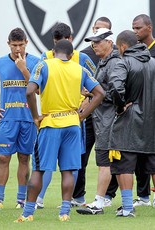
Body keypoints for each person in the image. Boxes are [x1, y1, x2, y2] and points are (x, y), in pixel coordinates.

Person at [14, 39, 104, 222]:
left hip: (50, 123)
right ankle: (64, 213)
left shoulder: (44, 66)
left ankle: (28, 213)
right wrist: (82, 115)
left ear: (53, 52)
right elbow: (100, 93)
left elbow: (30, 91)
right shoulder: (80, 69)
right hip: (72, 124)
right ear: (71, 55)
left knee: (39, 169)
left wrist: (35, 116)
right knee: (68, 171)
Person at [36, 22, 96, 208]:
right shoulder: (44, 58)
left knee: (71, 160)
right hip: (65, 117)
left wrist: (85, 107)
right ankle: (42, 199)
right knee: (65, 162)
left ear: (70, 39)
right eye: (56, 42)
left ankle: (67, 199)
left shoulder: (82, 58)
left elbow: (94, 85)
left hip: (72, 116)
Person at [0, 28, 39, 210]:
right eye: (14, 45)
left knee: (24, 158)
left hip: (28, 118)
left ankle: (21, 199)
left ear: (26, 42)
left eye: (20, 45)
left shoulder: (35, 62)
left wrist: (24, 69)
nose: (17, 49)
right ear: (8, 43)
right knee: (3, 158)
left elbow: (40, 90)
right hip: (7, 119)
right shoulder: (0, 63)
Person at [108, 30, 155, 217]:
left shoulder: (123, 62)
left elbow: (115, 87)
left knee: (124, 166)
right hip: (152, 123)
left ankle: (127, 208)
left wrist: (120, 107)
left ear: (123, 47)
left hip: (128, 123)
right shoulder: (153, 62)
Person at [75, 28, 121, 215]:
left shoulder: (115, 62)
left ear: (109, 42)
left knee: (106, 162)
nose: (93, 45)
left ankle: (100, 202)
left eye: (97, 41)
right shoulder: (105, 61)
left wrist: (96, 95)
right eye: (92, 41)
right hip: (103, 118)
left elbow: (118, 91)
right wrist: (90, 95)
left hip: (109, 119)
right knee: (112, 162)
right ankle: (119, 203)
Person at [130, 14, 155, 207]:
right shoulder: (133, 52)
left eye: (138, 28)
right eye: (133, 28)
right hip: (138, 111)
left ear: (149, 27)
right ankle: (143, 196)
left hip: (152, 110)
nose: (135, 31)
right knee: (138, 155)